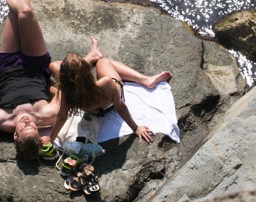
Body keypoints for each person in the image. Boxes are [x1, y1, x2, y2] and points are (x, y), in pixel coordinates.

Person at [0, 0, 96, 160]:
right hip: (35, 64)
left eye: (24, 128)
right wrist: (47, 86)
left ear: (15, 135)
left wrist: (0, 85)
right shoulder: (48, 116)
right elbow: (62, 93)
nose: (28, 123)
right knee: (25, 11)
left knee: (14, 12)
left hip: (7, 65)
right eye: (33, 127)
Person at [41, 38, 172, 148]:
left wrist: (51, 139)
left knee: (53, 65)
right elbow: (120, 107)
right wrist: (135, 128)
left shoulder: (67, 92)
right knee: (103, 62)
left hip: (92, 111)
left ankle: (92, 56)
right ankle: (145, 80)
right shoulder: (105, 83)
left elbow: (61, 117)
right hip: (110, 103)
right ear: (87, 72)